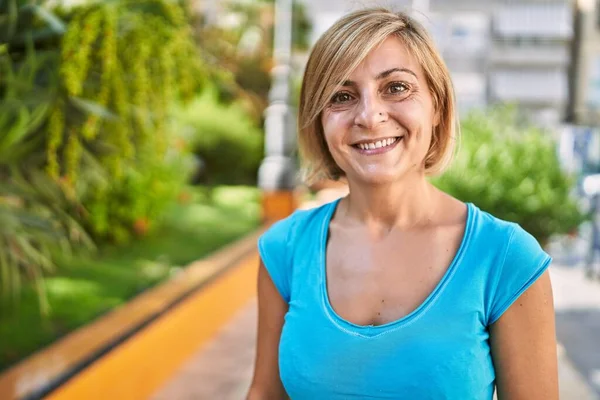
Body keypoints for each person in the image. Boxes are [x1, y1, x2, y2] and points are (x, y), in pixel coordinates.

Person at [247, 8, 558, 400]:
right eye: (341, 96)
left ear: (437, 107)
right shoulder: (285, 249)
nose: (369, 115)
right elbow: (264, 394)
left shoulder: (506, 258)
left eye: (395, 87)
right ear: (319, 123)